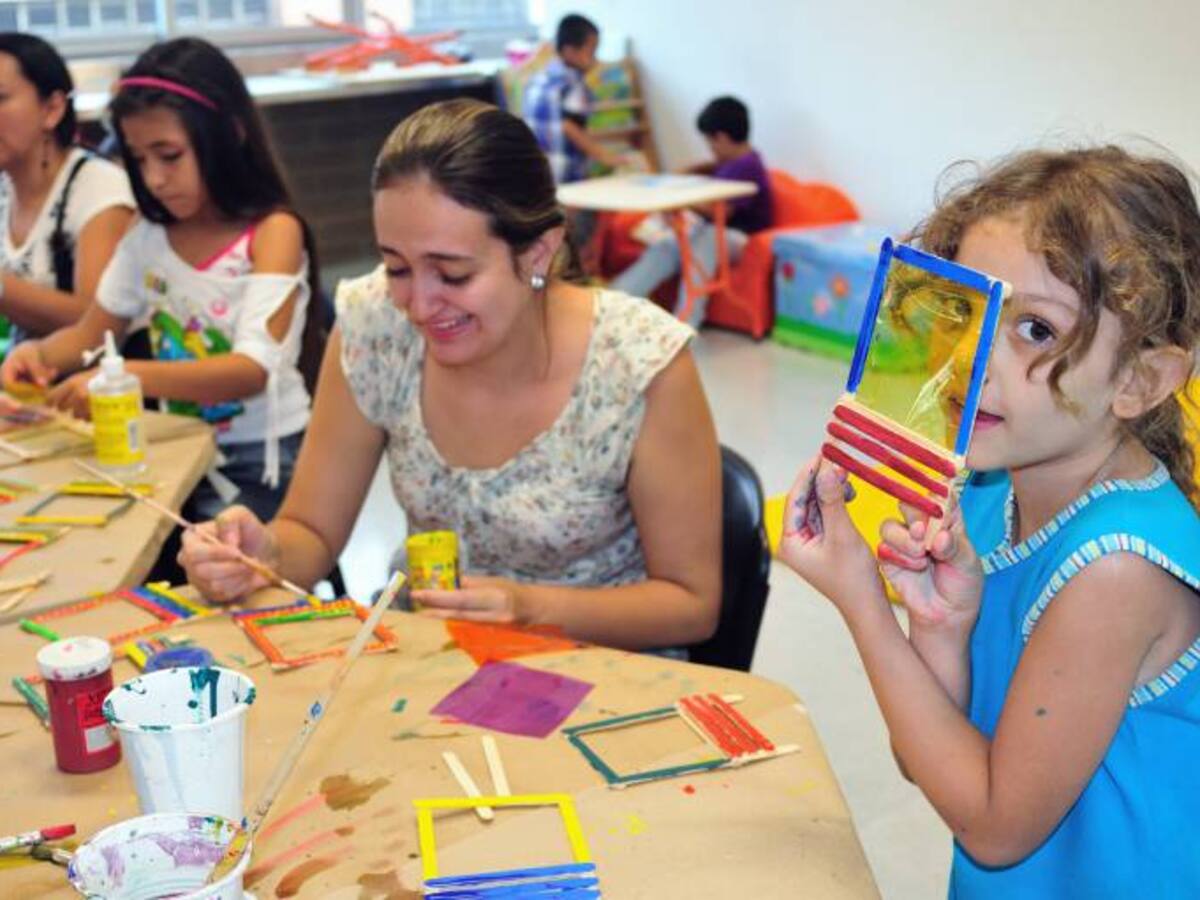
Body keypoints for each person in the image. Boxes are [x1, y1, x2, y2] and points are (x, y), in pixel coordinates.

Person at [780, 146, 1200, 896]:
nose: (974, 360)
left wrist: (863, 601)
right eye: (965, 311)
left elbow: (995, 827)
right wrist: (941, 629)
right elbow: (929, 760)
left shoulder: (1117, 569)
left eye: (1036, 330)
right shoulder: (979, 492)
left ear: (1139, 380)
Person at [178, 98, 721, 653]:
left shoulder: (638, 363)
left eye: (453, 274)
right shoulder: (376, 326)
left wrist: (532, 609)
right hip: (437, 659)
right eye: (396, 267)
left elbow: (690, 606)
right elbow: (312, 533)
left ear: (537, 253)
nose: (418, 304)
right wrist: (258, 553)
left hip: (605, 674)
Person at [1, 37, 322, 525]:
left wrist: (122, 377)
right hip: (184, 451)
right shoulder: (148, 238)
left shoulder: (272, 233)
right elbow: (91, 334)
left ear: (229, 134)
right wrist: (38, 357)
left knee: (212, 560)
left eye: (168, 155)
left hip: (271, 461)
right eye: (139, 159)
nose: (153, 179)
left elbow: (250, 370)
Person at [0, 33, 134, 354]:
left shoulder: (101, 189)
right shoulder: (5, 188)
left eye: (0, 98)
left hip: (100, 391)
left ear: (53, 108)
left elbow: (98, 322)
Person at [610, 96, 772, 327]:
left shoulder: (748, 167)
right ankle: (614, 302)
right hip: (715, 233)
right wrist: (679, 178)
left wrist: (681, 198)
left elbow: (721, 212)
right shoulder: (731, 163)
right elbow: (708, 170)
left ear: (722, 137)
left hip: (743, 238)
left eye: (710, 143)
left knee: (705, 240)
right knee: (667, 246)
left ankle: (685, 323)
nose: (710, 149)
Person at [522, 13, 623, 184]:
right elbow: (570, 127)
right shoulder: (574, 84)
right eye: (592, 52)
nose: (595, 59)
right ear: (570, 51)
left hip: (536, 171)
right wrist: (604, 156)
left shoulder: (539, 78)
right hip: (565, 173)